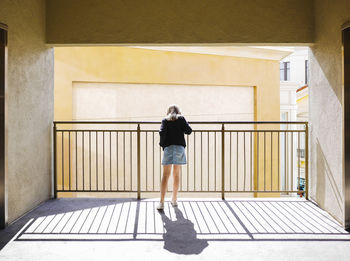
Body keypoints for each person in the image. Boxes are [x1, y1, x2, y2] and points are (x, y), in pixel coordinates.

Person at [157, 104, 192, 210]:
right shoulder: (181, 119)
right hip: (179, 149)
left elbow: (161, 132)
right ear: (178, 112)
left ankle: (162, 203)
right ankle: (174, 200)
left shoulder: (165, 120)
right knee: (176, 174)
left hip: (168, 148)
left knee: (165, 175)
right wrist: (184, 123)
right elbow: (189, 131)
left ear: (168, 112)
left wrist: (162, 145)